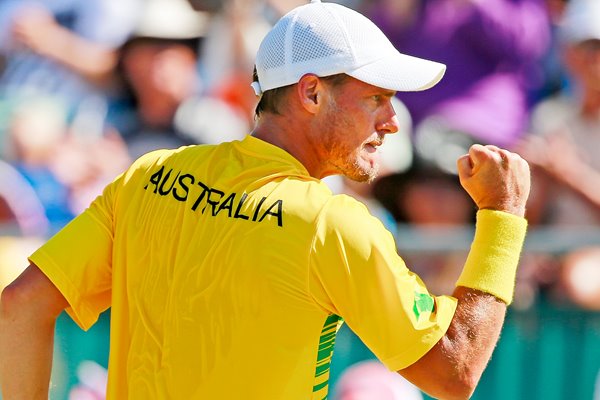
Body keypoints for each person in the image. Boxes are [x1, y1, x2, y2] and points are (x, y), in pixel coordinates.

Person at [0, 1, 530, 399]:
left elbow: (20, 307)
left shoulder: (150, 174)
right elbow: (454, 370)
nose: (391, 122)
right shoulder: (331, 224)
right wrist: (502, 219)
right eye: (376, 99)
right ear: (311, 93)